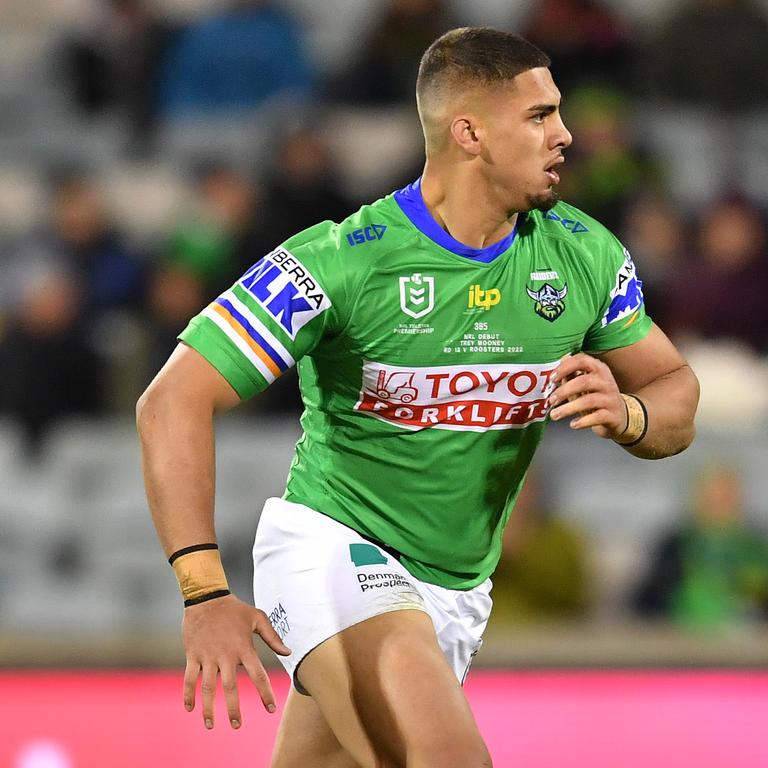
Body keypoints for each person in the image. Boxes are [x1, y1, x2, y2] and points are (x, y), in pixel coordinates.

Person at [137, 27, 699, 767]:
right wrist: (204, 590)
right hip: (337, 554)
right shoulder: (339, 262)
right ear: (469, 131)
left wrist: (631, 414)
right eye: (540, 115)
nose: (565, 134)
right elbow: (171, 399)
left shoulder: (583, 253)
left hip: (456, 591)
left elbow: (675, 388)